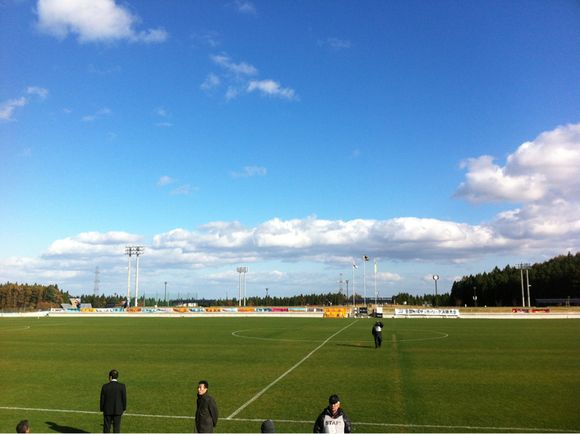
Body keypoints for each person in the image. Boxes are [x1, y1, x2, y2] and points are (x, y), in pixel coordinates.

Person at [100, 369, 127, 433]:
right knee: (116, 428)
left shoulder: (105, 386)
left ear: (110, 377)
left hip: (107, 410)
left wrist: (102, 409)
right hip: (118, 410)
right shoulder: (122, 386)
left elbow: (102, 399)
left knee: (106, 428)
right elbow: (124, 398)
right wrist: (124, 408)